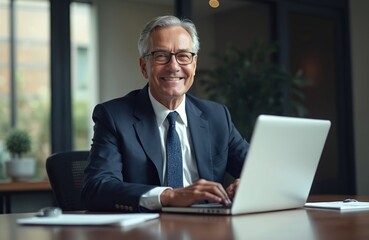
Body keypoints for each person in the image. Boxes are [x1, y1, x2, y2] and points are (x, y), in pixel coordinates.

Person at [82, 15, 249, 212]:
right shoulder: (114, 117)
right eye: (161, 55)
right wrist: (168, 196)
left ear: (194, 65)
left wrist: (252, 184)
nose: (174, 66)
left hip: (211, 227)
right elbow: (97, 188)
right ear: (144, 66)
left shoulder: (217, 116)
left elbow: (260, 169)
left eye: (184, 56)